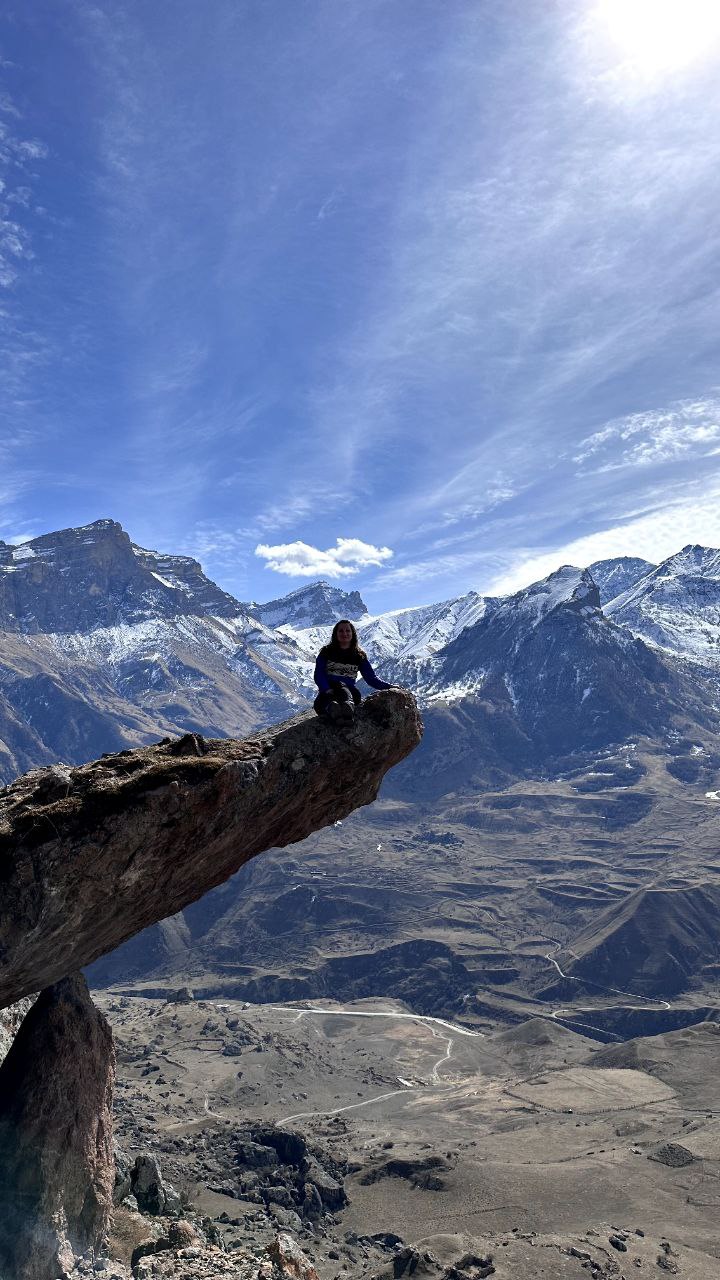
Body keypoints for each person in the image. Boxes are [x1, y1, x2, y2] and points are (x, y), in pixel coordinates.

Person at [313, 619, 392, 722]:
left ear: (352, 633)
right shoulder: (326, 652)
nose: (344, 633)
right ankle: (339, 712)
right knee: (320, 704)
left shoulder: (359, 656)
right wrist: (326, 689)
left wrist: (388, 686)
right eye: (341, 631)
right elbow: (319, 674)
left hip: (350, 691)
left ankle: (345, 708)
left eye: (347, 631)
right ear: (335, 634)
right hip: (329, 691)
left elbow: (371, 678)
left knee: (342, 689)